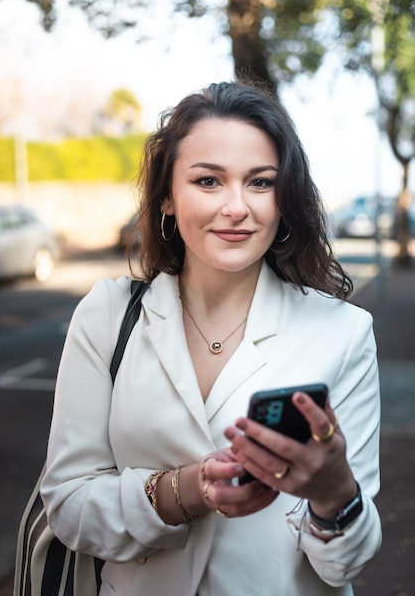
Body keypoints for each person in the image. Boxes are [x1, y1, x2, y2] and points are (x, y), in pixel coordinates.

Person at [41, 80, 382, 596]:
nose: (237, 207)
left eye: (261, 183)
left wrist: (336, 495)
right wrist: (187, 490)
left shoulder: (344, 332)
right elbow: (68, 507)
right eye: (208, 181)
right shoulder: (107, 315)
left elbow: (344, 566)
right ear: (167, 199)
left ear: (285, 200)